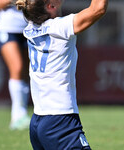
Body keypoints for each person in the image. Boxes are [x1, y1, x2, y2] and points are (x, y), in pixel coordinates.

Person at [15, 0, 108, 149]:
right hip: (60, 121)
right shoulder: (59, 27)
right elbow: (98, 9)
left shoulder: (31, 27)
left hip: (38, 121)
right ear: (50, 6)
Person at [0, 0, 30, 130]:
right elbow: (0, 4)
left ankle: (23, 113)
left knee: (27, 72)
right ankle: (17, 115)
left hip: (29, 28)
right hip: (9, 29)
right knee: (17, 67)